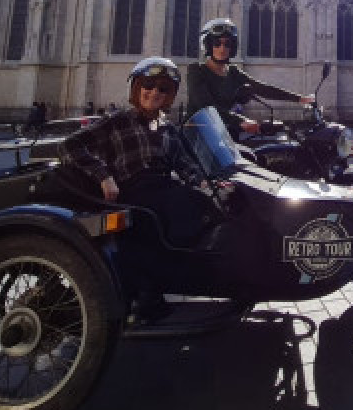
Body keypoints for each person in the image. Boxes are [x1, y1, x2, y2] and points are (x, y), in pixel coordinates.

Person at [60, 57, 211, 323]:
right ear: (137, 88)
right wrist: (103, 175)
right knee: (168, 212)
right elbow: (71, 145)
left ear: (169, 96)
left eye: (163, 89)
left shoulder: (166, 128)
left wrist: (202, 182)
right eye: (149, 85)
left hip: (162, 187)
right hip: (132, 189)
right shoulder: (118, 120)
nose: (154, 93)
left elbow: (184, 163)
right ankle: (147, 294)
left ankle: (176, 280)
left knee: (199, 205)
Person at [185, 18, 315, 139]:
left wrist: (300, 98)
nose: (222, 48)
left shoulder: (233, 72)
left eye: (227, 44)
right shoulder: (196, 70)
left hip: (223, 134)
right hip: (197, 135)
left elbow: (261, 88)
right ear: (208, 46)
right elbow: (206, 106)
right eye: (217, 43)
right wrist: (240, 121)